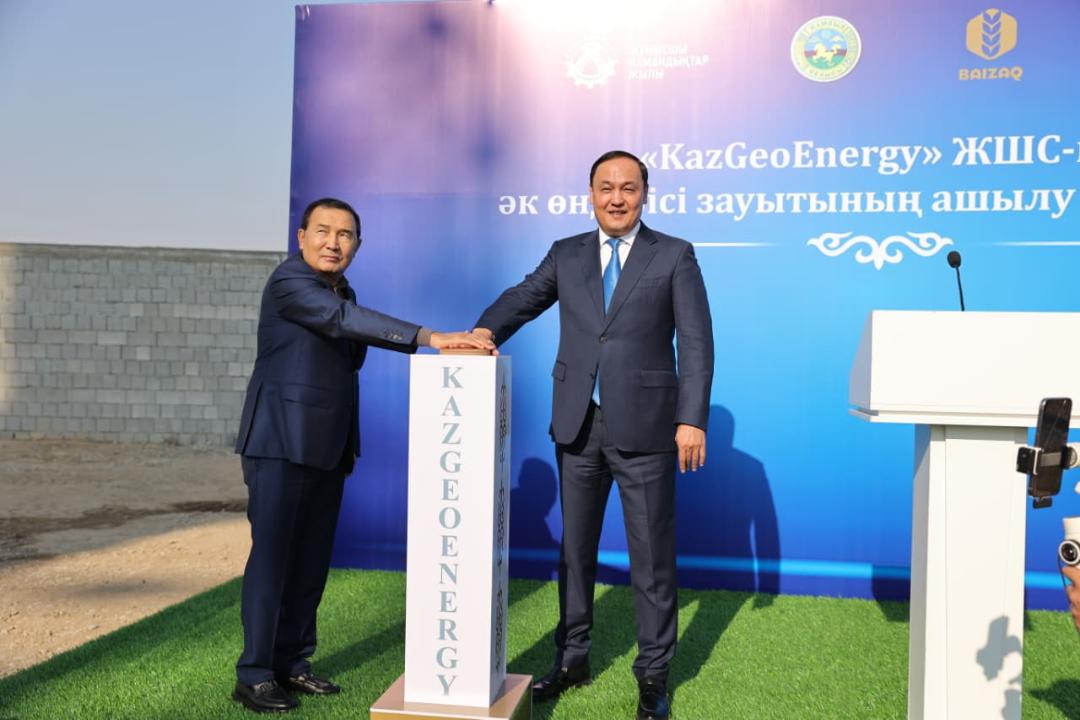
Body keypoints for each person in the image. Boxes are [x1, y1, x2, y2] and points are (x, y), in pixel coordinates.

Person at [474, 150, 714, 720]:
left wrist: (692, 418)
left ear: (644, 194)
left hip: (649, 430)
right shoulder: (566, 253)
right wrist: (482, 331)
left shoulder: (674, 254)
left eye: (628, 188)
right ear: (590, 193)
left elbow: (696, 342)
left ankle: (652, 676)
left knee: (651, 560)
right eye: (606, 187)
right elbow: (524, 298)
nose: (616, 197)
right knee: (575, 554)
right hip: (577, 425)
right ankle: (572, 659)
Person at [231, 197, 492, 713]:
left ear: (357, 245)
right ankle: (255, 675)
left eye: (345, 234)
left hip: (328, 447)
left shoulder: (342, 289)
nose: (333, 242)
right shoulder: (289, 282)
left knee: (310, 564)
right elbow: (342, 320)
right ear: (301, 237)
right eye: (323, 231)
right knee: (273, 562)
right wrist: (430, 337)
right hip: (280, 444)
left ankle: (293, 663)